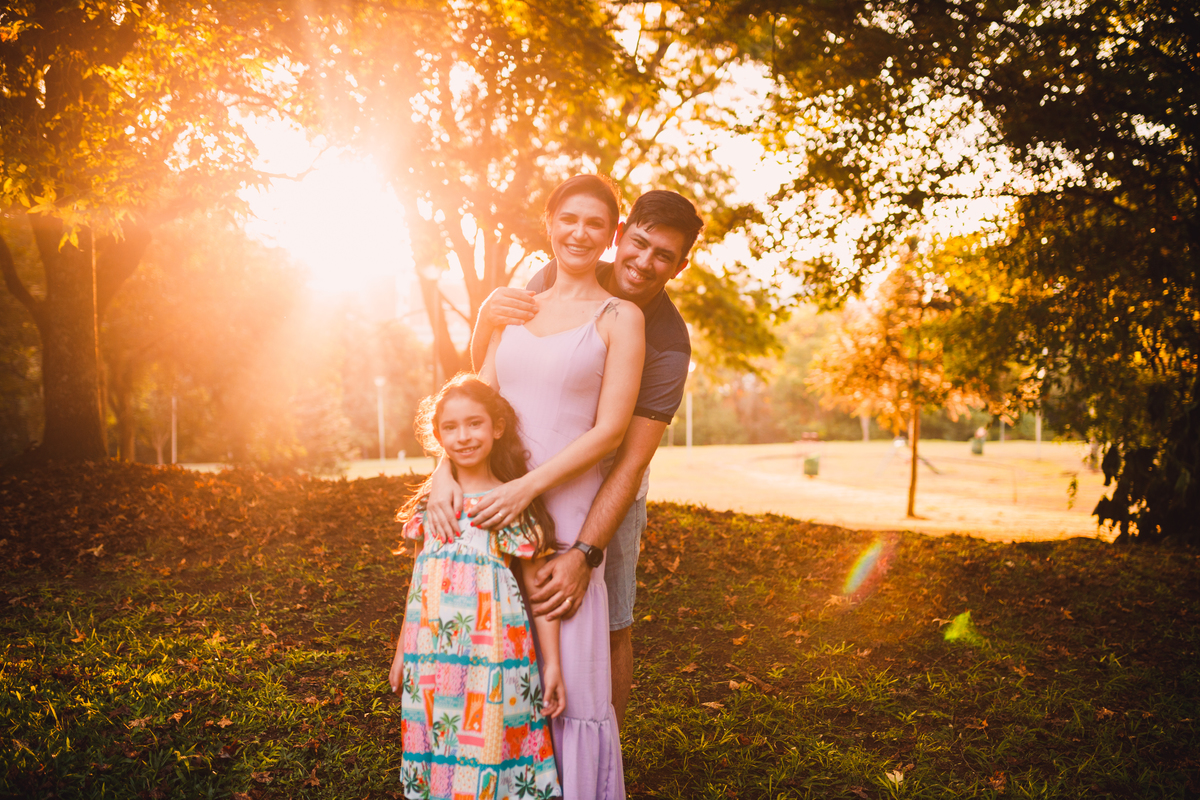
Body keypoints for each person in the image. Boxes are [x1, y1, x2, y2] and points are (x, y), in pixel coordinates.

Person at [443, 189, 703, 729]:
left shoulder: (667, 344)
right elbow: (501, 375)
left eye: (664, 256)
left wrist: (585, 552)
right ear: (621, 235)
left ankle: (599, 748)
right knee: (506, 607)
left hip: (606, 485)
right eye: (639, 243)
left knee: (610, 623)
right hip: (517, 478)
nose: (644, 262)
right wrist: (485, 321)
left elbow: (628, 460)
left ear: (680, 266)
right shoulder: (559, 271)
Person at [428, 174, 645, 799]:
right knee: (494, 678)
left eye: (595, 224)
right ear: (549, 223)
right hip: (491, 516)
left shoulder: (620, 317)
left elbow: (610, 431)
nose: (580, 233)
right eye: (568, 219)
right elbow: (475, 404)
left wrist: (527, 489)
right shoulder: (514, 309)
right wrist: (443, 473)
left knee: (567, 685)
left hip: (566, 511)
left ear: (612, 236)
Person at [390, 375, 566, 800]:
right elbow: (417, 584)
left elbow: (538, 591)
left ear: (497, 427)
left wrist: (553, 665)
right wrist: (401, 653)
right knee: (438, 745)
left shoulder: (509, 501)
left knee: (489, 746)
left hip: (492, 656)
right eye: (450, 427)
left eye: (475, 423)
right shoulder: (432, 504)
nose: (464, 436)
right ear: (438, 437)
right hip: (430, 652)